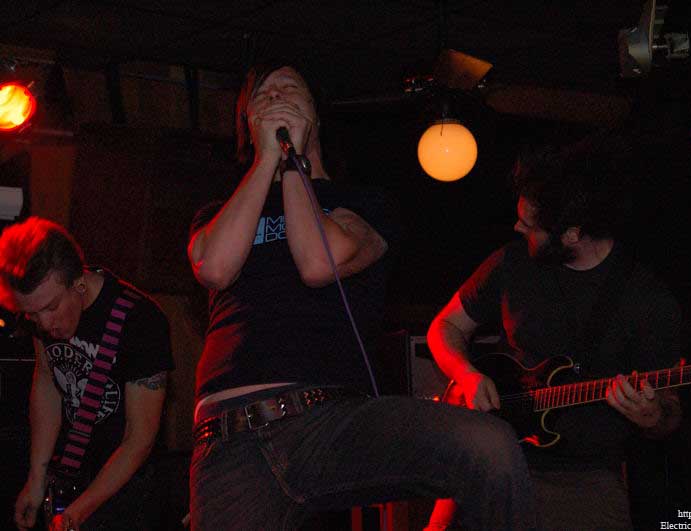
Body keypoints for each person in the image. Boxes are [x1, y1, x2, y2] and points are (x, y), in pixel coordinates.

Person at [187, 63, 535, 530]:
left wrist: (291, 163)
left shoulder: (361, 204)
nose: (276, 98)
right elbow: (215, 267)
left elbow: (318, 262)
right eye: (263, 97)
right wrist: (266, 160)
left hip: (330, 424)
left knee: (487, 447)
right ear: (248, 125)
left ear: (315, 115)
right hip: (230, 438)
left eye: (289, 89)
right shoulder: (218, 212)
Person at [425, 146, 683, 530]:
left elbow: (670, 413)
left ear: (572, 235)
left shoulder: (646, 299)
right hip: (489, 460)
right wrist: (466, 375)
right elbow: (444, 326)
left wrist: (652, 416)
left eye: (529, 225)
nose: (518, 228)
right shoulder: (511, 263)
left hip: (583, 480)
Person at [0, 217, 173, 531]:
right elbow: (47, 383)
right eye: (31, 313)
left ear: (79, 283)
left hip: (126, 492)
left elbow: (139, 439)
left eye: (51, 307)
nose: (43, 324)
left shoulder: (140, 321)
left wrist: (77, 513)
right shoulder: (41, 318)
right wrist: (36, 479)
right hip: (72, 475)